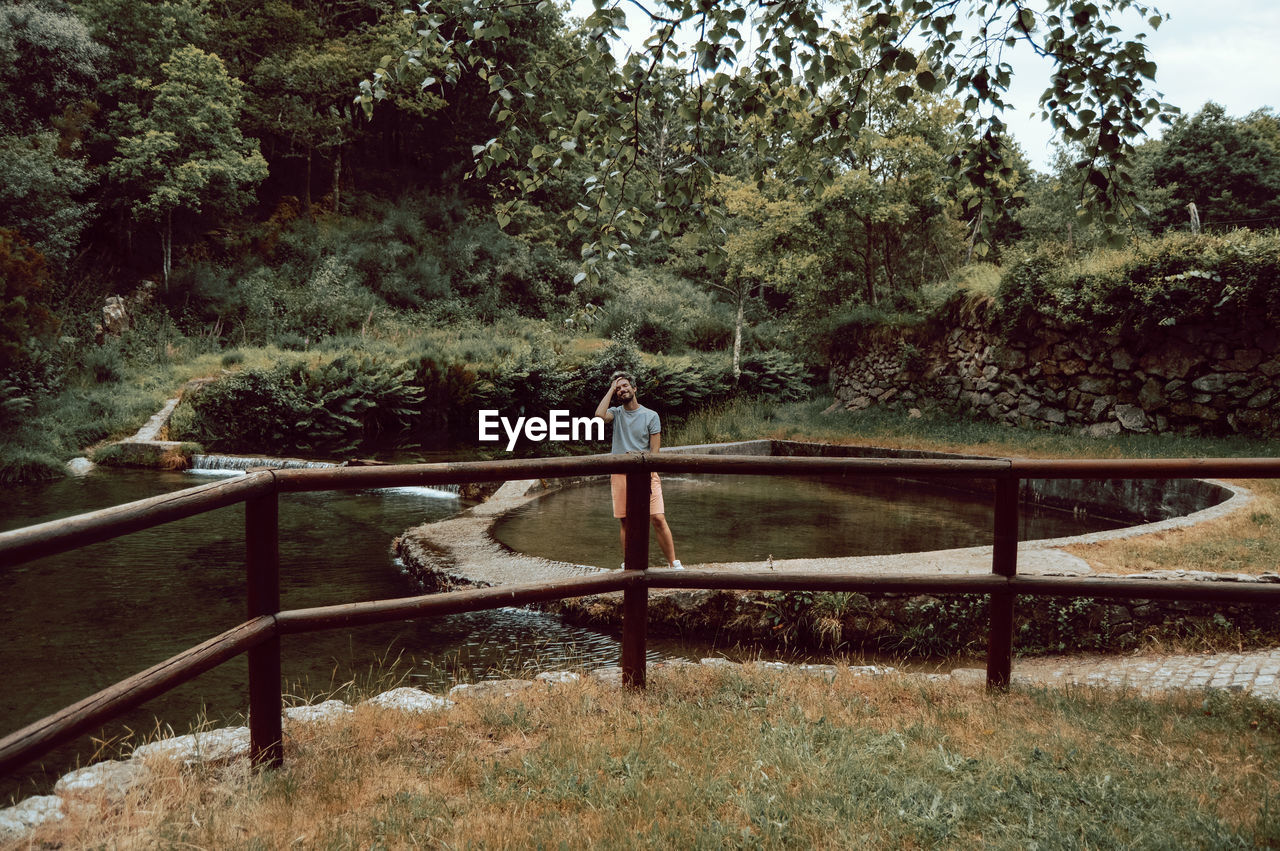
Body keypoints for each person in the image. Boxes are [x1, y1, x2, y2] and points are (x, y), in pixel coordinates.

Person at [593, 371, 683, 569]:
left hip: (646, 473)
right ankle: (629, 563)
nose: (621, 390)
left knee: (658, 518)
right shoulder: (616, 413)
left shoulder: (651, 416)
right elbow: (599, 415)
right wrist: (610, 388)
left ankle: (673, 563)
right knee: (626, 521)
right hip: (620, 473)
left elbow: (655, 451)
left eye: (625, 385)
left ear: (634, 388)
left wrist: (651, 474)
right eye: (618, 388)